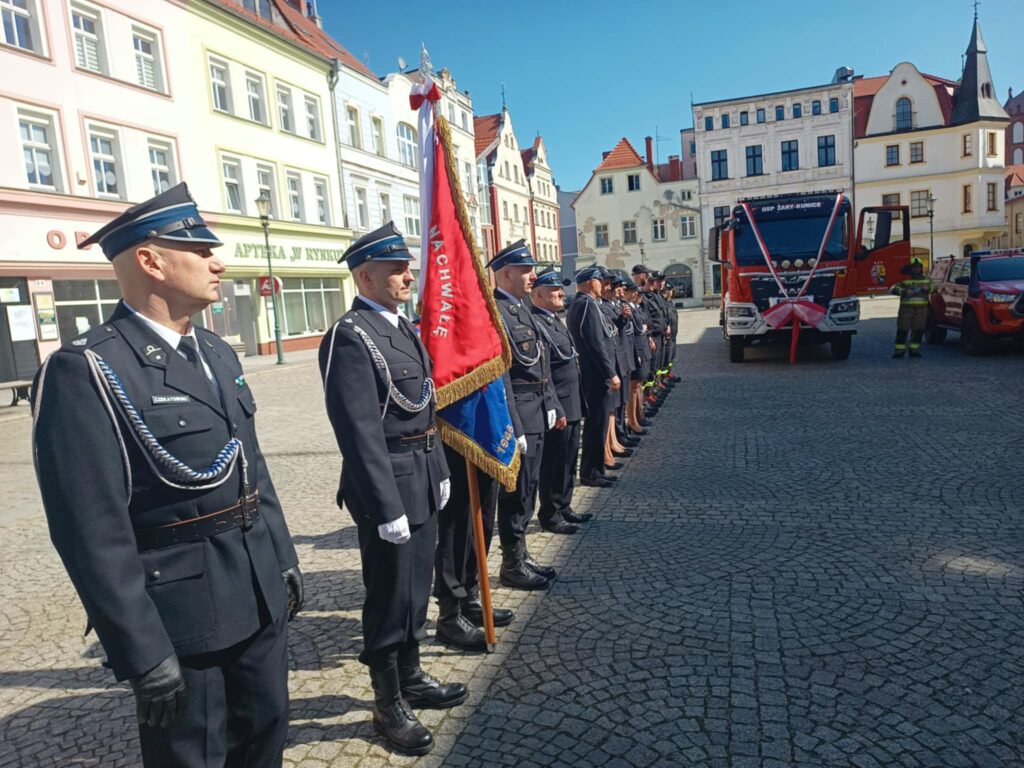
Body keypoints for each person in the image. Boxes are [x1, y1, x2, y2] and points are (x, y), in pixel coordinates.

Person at [31, 183, 303, 768]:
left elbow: (251, 470)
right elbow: (89, 530)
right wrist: (140, 650)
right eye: (201, 249)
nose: (218, 261)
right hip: (184, 617)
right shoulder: (88, 369)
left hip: (256, 590)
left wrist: (282, 557)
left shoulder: (216, 350)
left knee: (266, 738)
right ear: (151, 262)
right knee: (194, 757)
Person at [318, 222, 462, 756]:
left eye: (409, 268)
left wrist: (442, 470)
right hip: (389, 483)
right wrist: (383, 503)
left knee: (416, 586)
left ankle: (412, 674)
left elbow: (426, 409)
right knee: (388, 595)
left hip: (422, 472)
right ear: (365, 275)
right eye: (397, 269)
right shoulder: (350, 335)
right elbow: (357, 430)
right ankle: (386, 701)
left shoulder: (404, 328)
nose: (409, 275)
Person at [489, 240, 564, 590]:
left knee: (529, 487)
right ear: (506, 274)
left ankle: (521, 554)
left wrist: (551, 404)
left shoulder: (521, 310)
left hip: (537, 410)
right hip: (518, 413)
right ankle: (512, 563)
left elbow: (540, 364)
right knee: (516, 492)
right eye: (526, 270)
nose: (533, 275)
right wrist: (515, 425)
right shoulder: (496, 313)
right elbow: (502, 375)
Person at [531, 269, 593, 534]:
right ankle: (550, 513)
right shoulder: (536, 323)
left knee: (569, 459)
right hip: (558, 404)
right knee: (554, 462)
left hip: (572, 400)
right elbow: (545, 372)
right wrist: (555, 406)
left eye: (560, 288)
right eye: (554, 290)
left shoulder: (555, 320)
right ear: (538, 295)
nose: (560, 293)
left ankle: (564, 505)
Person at [567, 266, 619, 488]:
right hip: (594, 375)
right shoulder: (585, 305)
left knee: (598, 424)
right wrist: (610, 373)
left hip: (595, 374)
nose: (605, 285)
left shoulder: (589, 304)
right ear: (590, 282)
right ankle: (590, 472)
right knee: (595, 424)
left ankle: (597, 469)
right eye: (600, 281)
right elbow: (596, 344)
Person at [891, 257, 937, 359]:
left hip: (921, 310)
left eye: (918, 267)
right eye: (914, 267)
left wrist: (928, 288)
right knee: (902, 330)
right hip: (906, 309)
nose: (916, 269)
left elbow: (935, 287)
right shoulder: (904, 279)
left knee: (918, 330)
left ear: (921, 268)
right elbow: (894, 289)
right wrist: (904, 292)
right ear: (910, 268)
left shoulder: (927, 279)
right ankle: (899, 351)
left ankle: (914, 350)